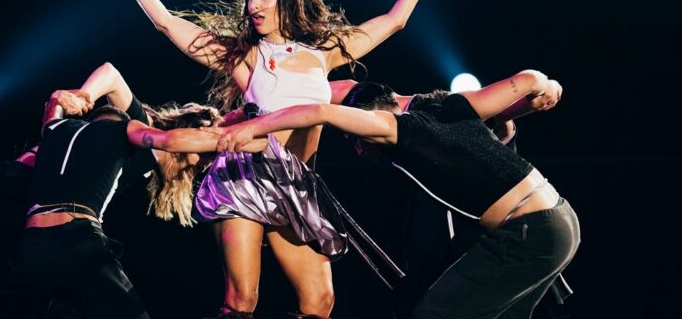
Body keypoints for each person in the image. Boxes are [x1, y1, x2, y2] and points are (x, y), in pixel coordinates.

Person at [118, 0, 434, 318]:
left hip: (297, 183)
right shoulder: (245, 56)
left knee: (319, 303)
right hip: (246, 178)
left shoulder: (323, 53)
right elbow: (168, 24)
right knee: (241, 302)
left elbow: (394, 21)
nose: (254, 5)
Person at [212, 69, 580, 319]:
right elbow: (526, 81)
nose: (360, 150)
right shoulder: (449, 106)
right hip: (558, 221)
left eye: (357, 139)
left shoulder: (394, 127)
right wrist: (546, 88)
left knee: (432, 314)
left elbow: (321, 110)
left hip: (528, 233)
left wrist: (253, 127)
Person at [13, 63, 243, 319]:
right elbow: (111, 75)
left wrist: (60, 99)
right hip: (75, 238)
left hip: (32, 245)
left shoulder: (55, 129)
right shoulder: (133, 130)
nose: (202, 166)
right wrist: (84, 97)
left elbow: (54, 105)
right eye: (203, 156)